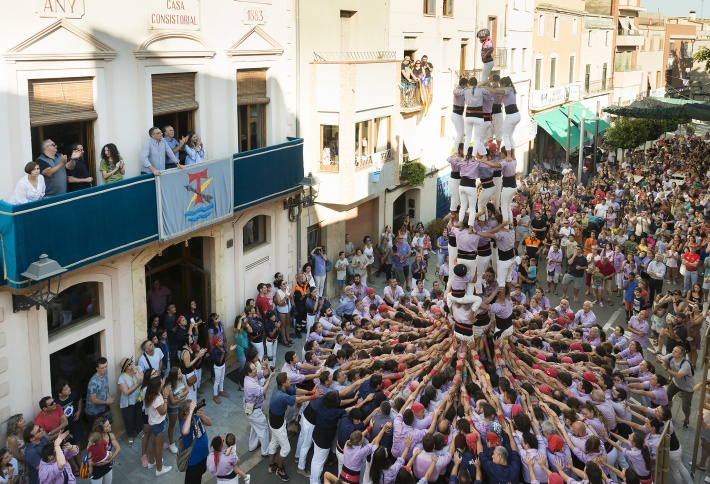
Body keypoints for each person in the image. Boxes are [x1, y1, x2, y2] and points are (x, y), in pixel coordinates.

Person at [268, 372, 322, 482]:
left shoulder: (280, 388)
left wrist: (310, 391)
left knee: (274, 442)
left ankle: (271, 465)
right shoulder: (282, 396)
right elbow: (298, 399)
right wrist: (313, 396)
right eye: (288, 380)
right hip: (277, 423)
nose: (290, 380)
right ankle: (279, 469)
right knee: (286, 448)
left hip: (274, 419)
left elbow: (296, 391)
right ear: (284, 383)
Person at [242, 360, 274, 458]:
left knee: (254, 426)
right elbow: (262, 391)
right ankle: (265, 451)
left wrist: (269, 369)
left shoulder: (253, 375)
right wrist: (270, 378)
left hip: (249, 408)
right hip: (254, 410)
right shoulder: (250, 384)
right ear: (249, 373)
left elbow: (263, 373)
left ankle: (252, 446)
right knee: (263, 429)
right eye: (254, 368)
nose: (256, 369)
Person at [660, 345, 695, 430]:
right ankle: (669, 416)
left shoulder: (685, 364)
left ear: (681, 355)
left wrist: (666, 368)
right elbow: (661, 359)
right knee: (667, 397)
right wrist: (660, 360)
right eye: (673, 350)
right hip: (675, 383)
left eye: (675, 351)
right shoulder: (671, 356)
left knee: (685, 407)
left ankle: (687, 419)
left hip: (688, 388)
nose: (672, 352)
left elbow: (679, 375)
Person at [144, 374, 172, 476]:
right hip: (158, 424)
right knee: (158, 447)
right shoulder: (156, 399)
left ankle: (152, 462)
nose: (162, 385)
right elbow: (163, 411)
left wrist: (162, 384)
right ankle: (159, 469)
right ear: (157, 386)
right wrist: (165, 397)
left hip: (152, 423)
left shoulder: (151, 393)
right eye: (161, 384)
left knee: (152, 442)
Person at [179, 399, 213, 483]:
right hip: (194, 461)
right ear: (187, 412)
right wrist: (191, 412)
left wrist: (202, 416)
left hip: (203, 455)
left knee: (198, 478)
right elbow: (185, 431)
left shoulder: (196, 416)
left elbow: (210, 423)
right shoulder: (184, 423)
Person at [117, 357, 144, 447]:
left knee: (138, 415)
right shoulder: (122, 378)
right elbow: (126, 392)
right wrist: (138, 384)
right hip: (128, 402)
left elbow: (142, 380)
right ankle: (130, 435)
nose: (131, 364)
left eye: (131, 362)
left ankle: (139, 430)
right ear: (125, 368)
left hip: (138, 398)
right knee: (129, 419)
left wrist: (135, 372)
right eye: (128, 364)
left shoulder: (138, 368)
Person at [87, 417, 120, 484]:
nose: (110, 425)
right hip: (96, 469)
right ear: (101, 430)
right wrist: (99, 463)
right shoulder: (94, 440)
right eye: (107, 426)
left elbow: (118, 448)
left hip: (107, 466)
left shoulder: (110, 436)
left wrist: (109, 461)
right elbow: (89, 462)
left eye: (109, 423)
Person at [85, 358, 113, 429]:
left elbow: (106, 386)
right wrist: (106, 401)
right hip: (94, 412)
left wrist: (108, 396)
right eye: (102, 368)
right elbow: (93, 400)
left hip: (104, 408)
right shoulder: (93, 382)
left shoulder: (105, 373)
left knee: (107, 426)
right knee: (97, 430)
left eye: (106, 366)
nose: (105, 369)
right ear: (97, 368)